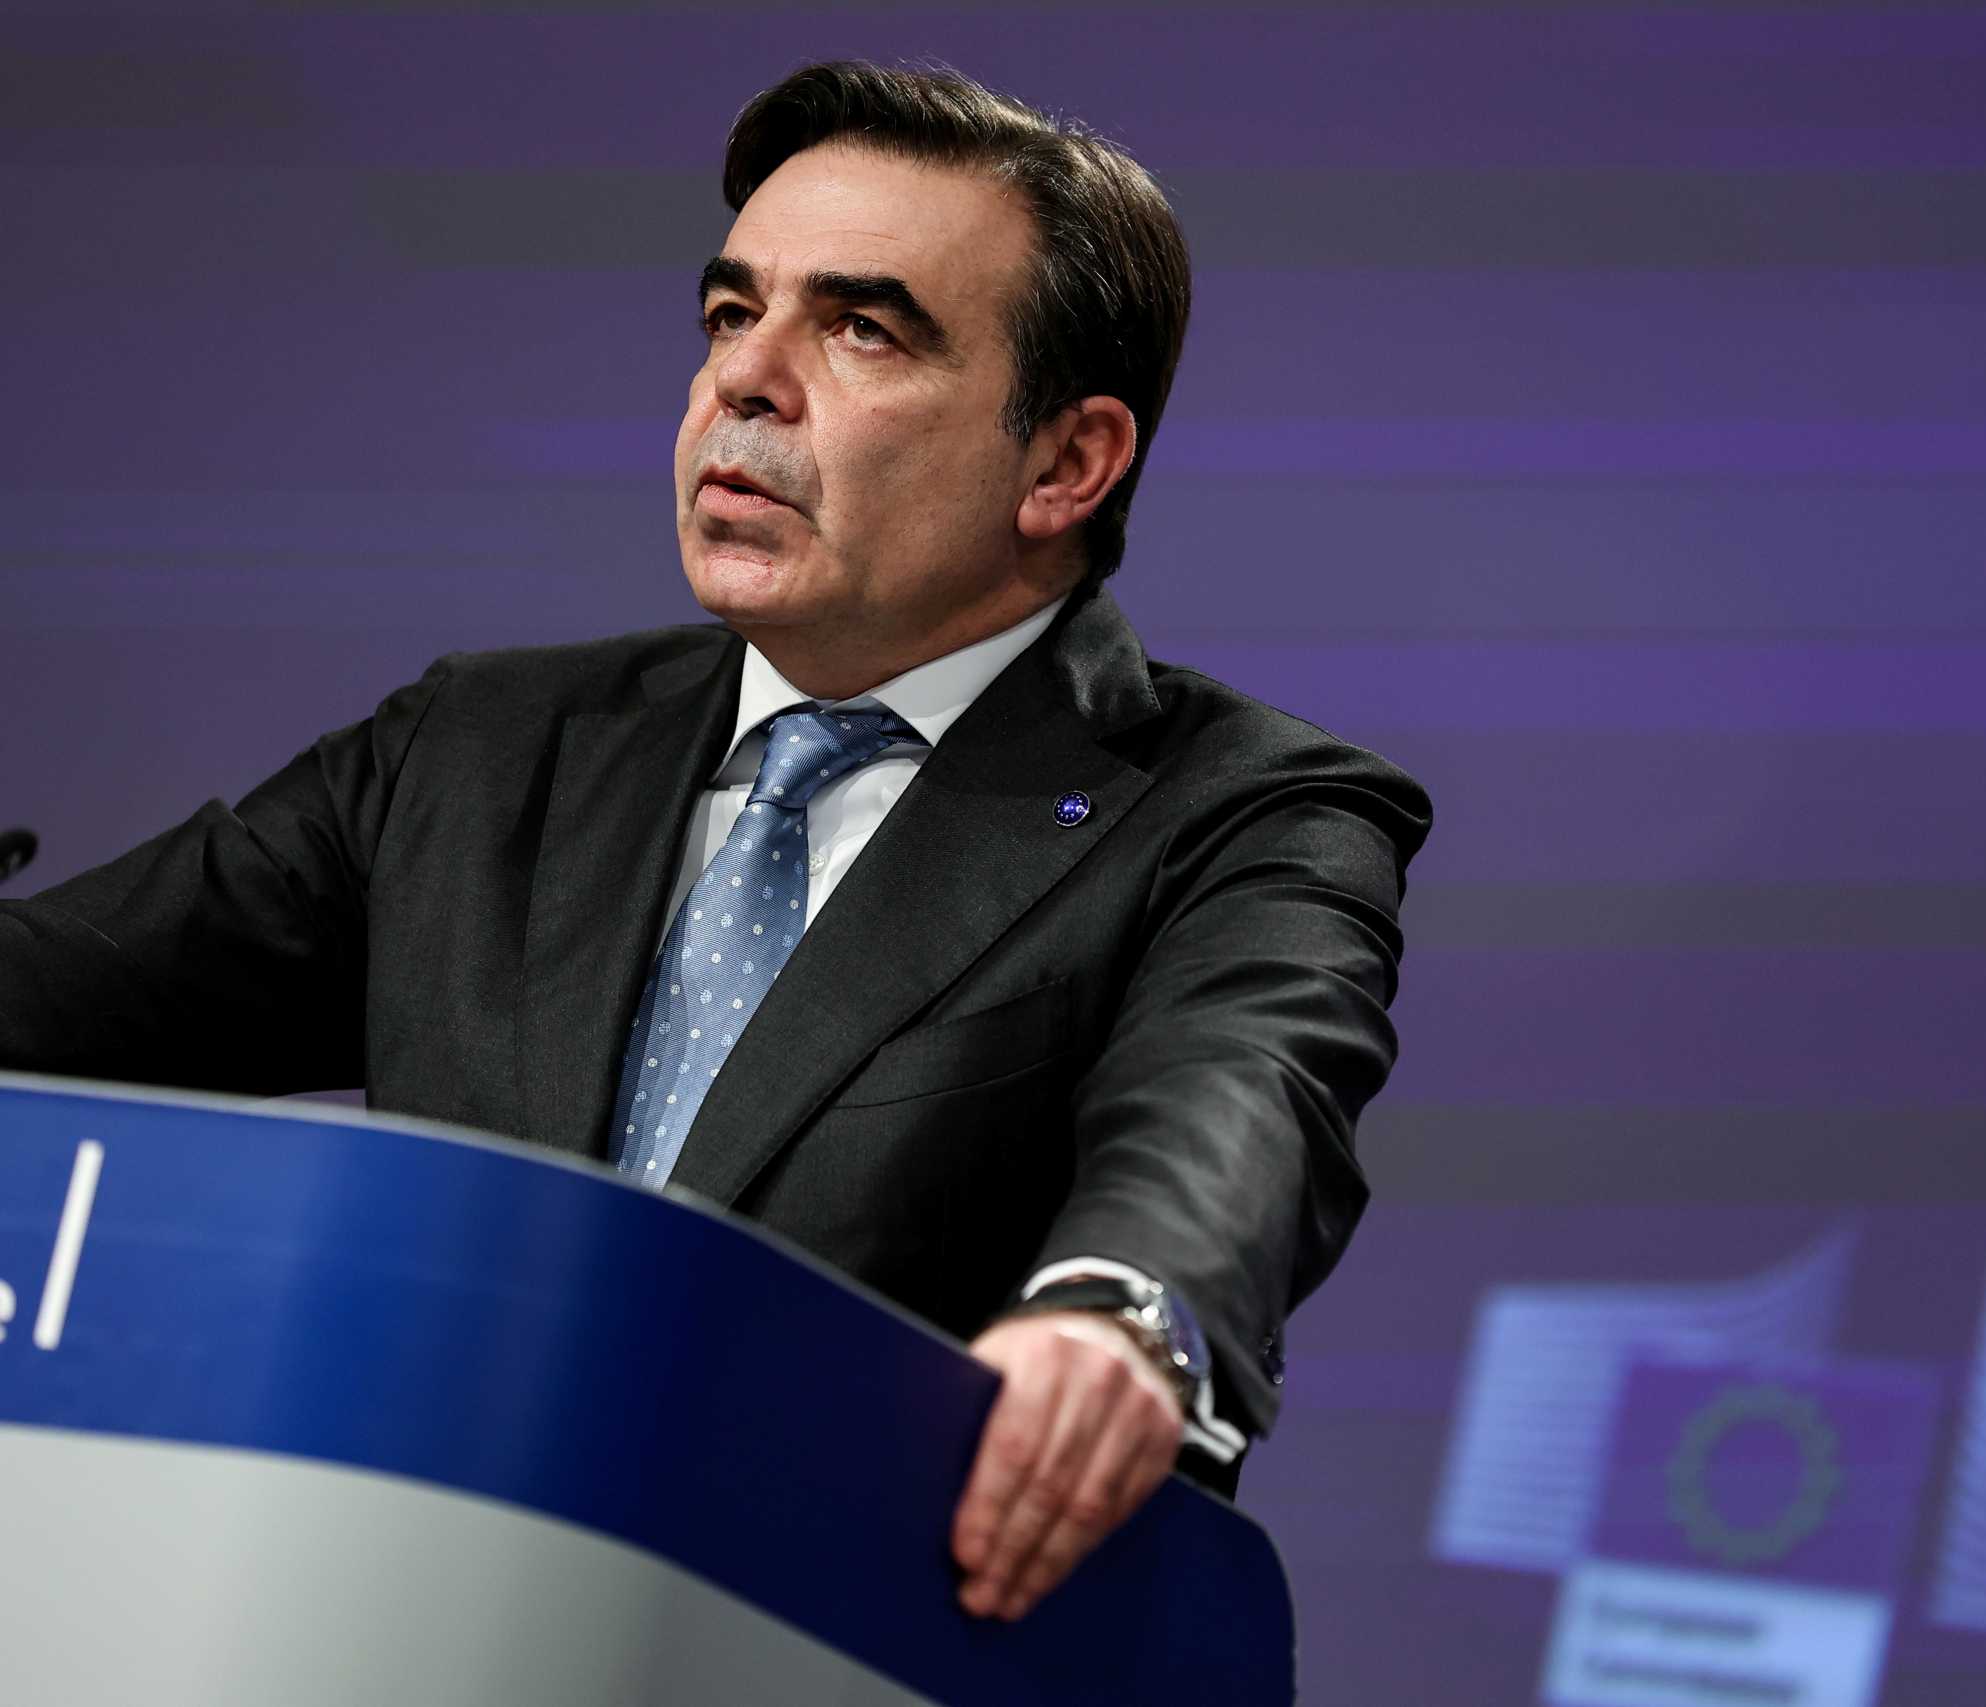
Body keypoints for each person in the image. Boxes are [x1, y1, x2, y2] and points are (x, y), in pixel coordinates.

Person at [0, 61, 1427, 1625]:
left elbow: (1243, 1100)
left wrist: (1114, 1317)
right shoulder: (478, 751)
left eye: (863, 329)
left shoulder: (1240, 813)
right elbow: (57, 996)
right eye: (729, 314)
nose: (744, 383)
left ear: (1066, 463)